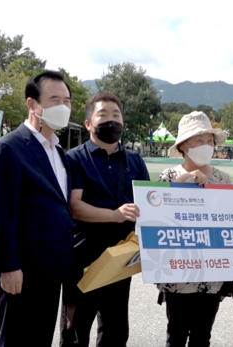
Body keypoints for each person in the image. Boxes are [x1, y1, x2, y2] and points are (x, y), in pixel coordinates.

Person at [0, 71, 75, 346]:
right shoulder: (10, 148)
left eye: (67, 100)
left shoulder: (59, 151)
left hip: (52, 271)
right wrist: (8, 267)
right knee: (17, 339)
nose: (63, 106)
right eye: (54, 99)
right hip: (22, 273)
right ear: (32, 104)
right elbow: (0, 214)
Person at [64, 92, 150, 347]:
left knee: (115, 332)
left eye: (117, 115)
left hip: (120, 260)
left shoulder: (134, 160)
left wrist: (182, 186)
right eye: (103, 115)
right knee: (75, 332)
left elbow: (151, 202)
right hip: (82, 259)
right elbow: (74, 206)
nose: (111, 120)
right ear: (89, 123)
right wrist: (114, 215)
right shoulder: (75, 158)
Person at [155, 111, 233, 347]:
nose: (206, 145)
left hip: (213, 272)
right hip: (178, 271)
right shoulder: (169, 176)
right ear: (183, 146)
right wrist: (178, 186)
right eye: (198, 140)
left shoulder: (224, 179)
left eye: (209, 140)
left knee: (202, 336)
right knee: (176, 334)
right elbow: (158, 219)